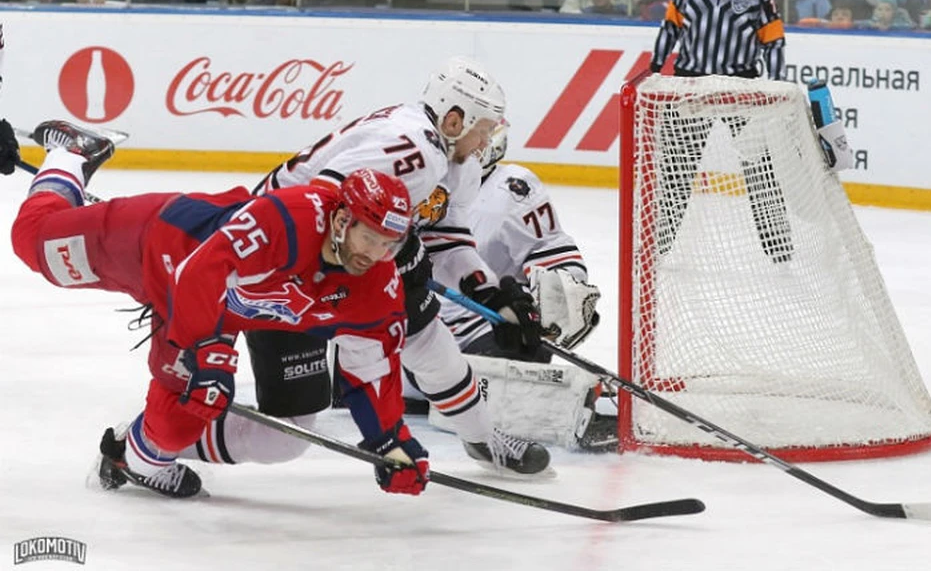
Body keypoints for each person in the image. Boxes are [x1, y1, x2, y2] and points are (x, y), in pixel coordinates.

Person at [6, 120, 429, 499]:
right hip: (158, 244)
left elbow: (372, 364)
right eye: (370, 238)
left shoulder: (376, 284)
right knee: (32, 241)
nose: (376, 254)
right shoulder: (288, 218)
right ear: (341, 222)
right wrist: (208, 350)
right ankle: (72, 154)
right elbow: (201, 271)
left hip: (209, 309)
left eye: (389, 244)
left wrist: (388, 441)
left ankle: (136, 459)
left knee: (187, 414)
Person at [250, 56, 551, 474]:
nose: (485, 143)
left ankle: (483, 440)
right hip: (276, 260)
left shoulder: (457, 165)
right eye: (482, 130)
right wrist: (399, 257)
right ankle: (153, 445)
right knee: (287, 430)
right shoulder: (412, 148)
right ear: (454, 121)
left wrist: (490, 293)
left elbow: (446, 237)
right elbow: (318, 203)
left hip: (351, 259)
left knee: (429, 342)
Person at [431, 120, 614, 451]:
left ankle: (557, 406)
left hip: (483, 329)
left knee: (523, 347)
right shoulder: (422, 180)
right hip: (416, 324)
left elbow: (551, 250)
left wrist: (562, 292)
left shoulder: (510, 190)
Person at [650, 0, 793, 264]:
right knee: (676, 168)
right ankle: (659, 242)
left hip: (739, 86)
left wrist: (774, 86)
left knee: (760, 167)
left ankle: (778, 249)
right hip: (691, 85)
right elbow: (670, 27)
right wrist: (656, 69)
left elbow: (772, 40)